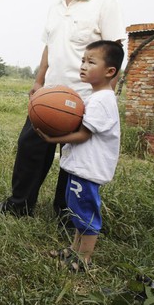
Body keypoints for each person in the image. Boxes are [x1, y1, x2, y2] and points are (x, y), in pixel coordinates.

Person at [0, 0, 126, 218]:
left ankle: (66, 212)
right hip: (49, 96)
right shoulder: (56, 4)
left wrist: (105, 95)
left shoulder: (105, 2)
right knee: (30, 147)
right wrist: (39, 82)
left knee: (74, 157)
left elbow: (117, 52)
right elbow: (49, 46)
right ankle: (19, 204)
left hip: (83, 99)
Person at [36, 40, 123, 270]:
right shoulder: (96, 97)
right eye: (83, 60)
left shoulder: (101, 100)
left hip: (88, 170)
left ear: (109, 71)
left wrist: (52, 140)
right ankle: (75, 250)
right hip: (80, 167)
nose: (83, 65)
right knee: (77, 211)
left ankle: (84, 258)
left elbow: (83, 135)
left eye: (91, 62)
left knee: (86, 214)